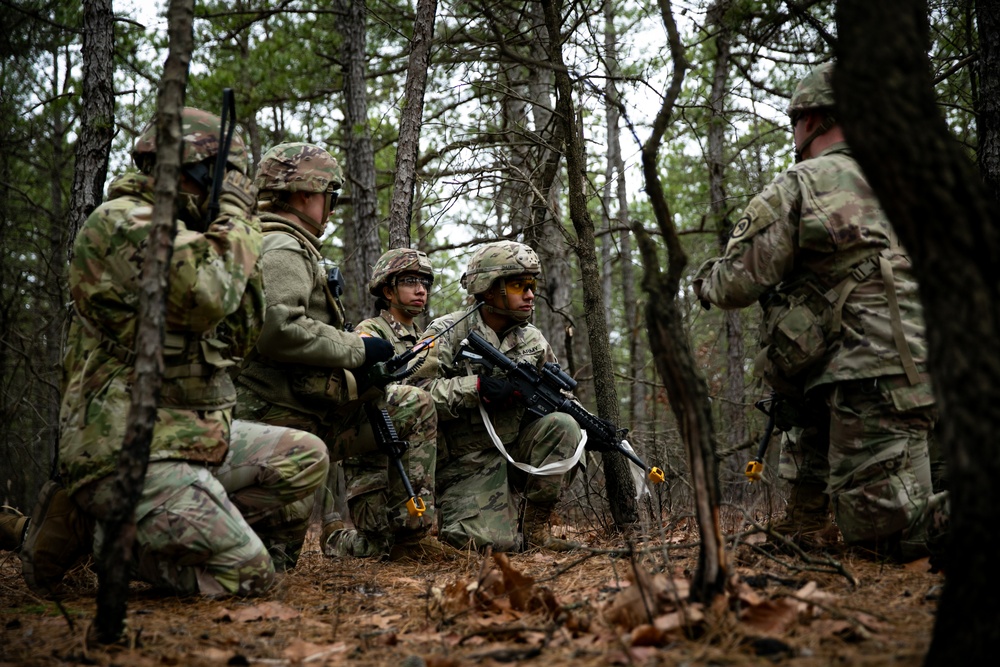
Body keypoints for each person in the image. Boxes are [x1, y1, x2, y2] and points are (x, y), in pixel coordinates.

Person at [0, 108, 330, 598]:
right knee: (248, 575)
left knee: (305, 456)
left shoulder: (196, 236)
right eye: (226, 180)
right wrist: (237, 222)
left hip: (186, 435)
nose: (236, 193)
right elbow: (207, 297)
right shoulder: (123, 223)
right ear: (195, 174)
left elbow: (238, 336)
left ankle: (163, 527)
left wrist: (237, 236)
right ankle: (106, 537)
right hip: (126, 445)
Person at [693, 62, 947, 562]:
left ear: (811, 121)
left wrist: (703, 282)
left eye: (795, 123)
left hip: (872, 376)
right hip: (934, 369)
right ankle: (805, 520)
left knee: (889, 535)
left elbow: (736, 282)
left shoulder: (806, 182)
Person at [233, 143, 446, 562]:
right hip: (277, 417)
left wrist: (362, 377)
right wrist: (358, 349)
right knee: (269, 562)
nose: (331, 208)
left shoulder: (289, 245)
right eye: (329, 196)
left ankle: (408, 534)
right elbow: (278, 329)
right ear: (304, 194)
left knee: (411, 404)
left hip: (312, 410)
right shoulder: (282, 246)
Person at [411, 240, 584, 552]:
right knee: (484, 546)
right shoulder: (448, 331)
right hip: (467, 460)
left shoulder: (532, 338)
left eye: (532, 285)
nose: (530, 294)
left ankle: (535, 530)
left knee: (566, 425)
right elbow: (412, 396)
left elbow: (559, 396)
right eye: (519, 285)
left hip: (516, 451)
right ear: (488, 289)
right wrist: (475, 389)